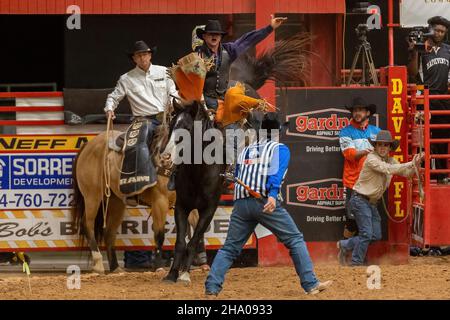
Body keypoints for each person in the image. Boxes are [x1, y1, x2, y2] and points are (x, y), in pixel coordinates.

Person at [204, 112, 332, 296]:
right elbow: (276, 174)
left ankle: (212, 287)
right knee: (295, 239)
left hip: (241, 204)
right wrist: (272, 196)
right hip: (263, 201)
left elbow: (236, 176)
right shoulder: (280, 149)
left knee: (229, 248)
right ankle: (310, 283)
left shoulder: (245, 150)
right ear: (278, 132)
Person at [104, 40, 178, 269]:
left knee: (192, 139)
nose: (143, 58)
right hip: (142, 120)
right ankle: (141, 185)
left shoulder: (164, 72)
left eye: (146, 54)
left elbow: (174, 91)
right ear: (134, 59)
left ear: (150, 56)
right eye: (139, 55)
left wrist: (177, 102)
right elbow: (114, 96)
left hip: (165, 116)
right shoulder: (126, 79)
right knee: (138, 146)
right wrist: (110, 108)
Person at [337, 130, 424, 266]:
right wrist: (411, 162)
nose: (383, 147)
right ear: (376, 146)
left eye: (385, 145)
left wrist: (416, 164)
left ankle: (345, 244)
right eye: (380, 145)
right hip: (360, 200)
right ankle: (355, 263)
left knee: (375, 236)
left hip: (370, 203)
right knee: (367, 234)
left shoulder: (390, 160)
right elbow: (388, 169)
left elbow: (406, 172)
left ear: (390, 147)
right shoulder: (371, 158)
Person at [195, 15, 287, 110]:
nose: (214, 36)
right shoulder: (197, 56)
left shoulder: (229, 50)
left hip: (224, 98)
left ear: (220, 37)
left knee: (238, 118)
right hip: (203, 101)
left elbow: (248, 40)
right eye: (211, 34)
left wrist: (270, 28)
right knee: (197, 122)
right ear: (204, 37)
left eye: (217, 34)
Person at [407, 16, 450, 182]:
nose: (438, 33)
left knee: (441, 137)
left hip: (443, 99)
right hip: (425, 96)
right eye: (436, 30)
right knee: (422, 139)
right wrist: (413, 52)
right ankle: (421, 176)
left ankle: (442, 176)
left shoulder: (448, 50)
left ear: (445, 32)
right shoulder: (422, 47)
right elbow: (412, 73)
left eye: (442, 31)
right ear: (430, 29)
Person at [339, 97, 380, 241]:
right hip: (353, 183)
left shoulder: (376, 131)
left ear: (367, 113)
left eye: (360, 110)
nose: (357, 113)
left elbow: (385, 153)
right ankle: (346, 249)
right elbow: (350, 155)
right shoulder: (345, 132)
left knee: (367, 221)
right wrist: (369, 151)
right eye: (355, 110)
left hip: (371, 183)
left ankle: (352, 250)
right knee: (351, 221)